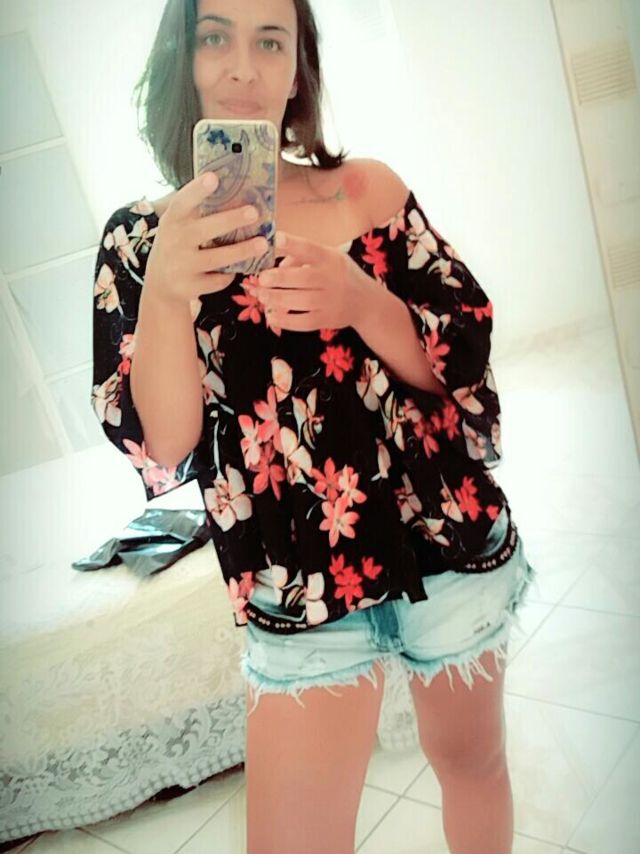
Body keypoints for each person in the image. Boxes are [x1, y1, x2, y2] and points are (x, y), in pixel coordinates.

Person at [91, 1, 537, 852]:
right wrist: (169, 290)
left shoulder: (366, 189)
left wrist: (363, 301)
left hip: (443, 534)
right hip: (296, 580)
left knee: (474, 764)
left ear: (298, 66)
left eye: (271, 40)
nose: (242, 66)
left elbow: (457, 359)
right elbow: (166, 443)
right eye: (215, 36)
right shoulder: (142, 239)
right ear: (183, 55)